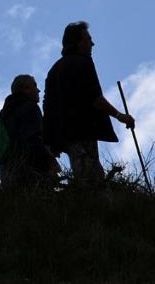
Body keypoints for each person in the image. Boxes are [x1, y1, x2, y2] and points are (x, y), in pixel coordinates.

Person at [43, 21, 134, 188]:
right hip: (83, 131)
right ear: (78, 42)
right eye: (88, 39)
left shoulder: (54, 69)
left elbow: (48, 107)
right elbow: (96, 99)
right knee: (91, 179)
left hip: (64, 134)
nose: (92, 43)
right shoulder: (83, 62)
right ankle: (92, 209)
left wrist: (50, 138)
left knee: (84, 173)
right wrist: (120, 116)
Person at [0, 75, 58, 189]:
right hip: (31, 171)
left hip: (8, 172)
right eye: (34, 86)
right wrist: (47, 164)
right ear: (25, 89)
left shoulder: (4, 116)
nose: (38, 90)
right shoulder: (30, 107)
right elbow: (34, 139)